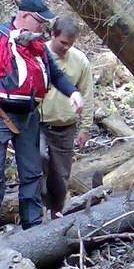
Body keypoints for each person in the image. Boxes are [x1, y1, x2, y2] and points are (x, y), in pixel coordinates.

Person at [0, 0, 83, 245]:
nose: (44, 27)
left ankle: (33, 228)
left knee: (32, 174)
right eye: (40, 21)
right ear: (25, 16)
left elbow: (56, 74)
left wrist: (73, 92)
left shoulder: (37, 46)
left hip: (28, 117)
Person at [40, 17, 93, 217]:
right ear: (52, 34)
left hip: (65, 125)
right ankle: (38, 210)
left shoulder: (80, 61)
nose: (66, 48)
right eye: (63, 42)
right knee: (37, 161)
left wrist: (85, 128)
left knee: (61, 175)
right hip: (36, 122)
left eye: (70, 44)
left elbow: (87, 94)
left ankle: (56, 213)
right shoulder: (37, 53)